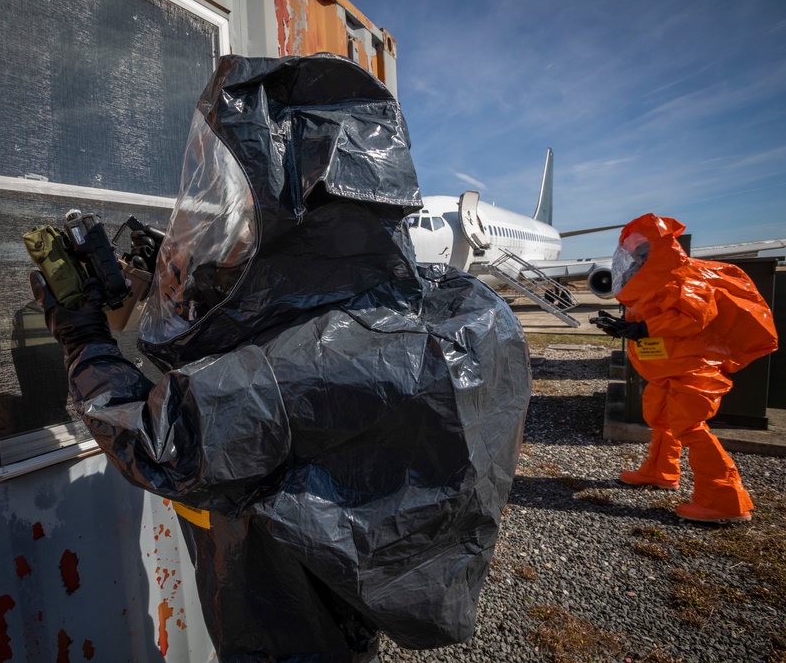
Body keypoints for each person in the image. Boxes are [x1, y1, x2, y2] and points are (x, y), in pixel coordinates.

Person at [31, 53, 531, 661]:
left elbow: (159, 441)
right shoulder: (449, 307)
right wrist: (199, 279)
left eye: (251, 213)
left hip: (284, 617)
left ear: (302, 214)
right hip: (351, 589)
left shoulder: (295, 369)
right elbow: (294, 316)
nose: (239, 232)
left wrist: (83, 333)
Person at [594, 213, 778, 523]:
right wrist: (626, 327)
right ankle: (661, 471)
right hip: (670, 367)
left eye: (642, 252)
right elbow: (657, 319)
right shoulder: (659, 279)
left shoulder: (684, 277)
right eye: (634, 253)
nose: (636, 259)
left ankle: (726, 501)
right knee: (662, 417)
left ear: (657, 249)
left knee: (688, 425)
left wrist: (642, 329)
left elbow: (693, 317)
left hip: (693, 367)